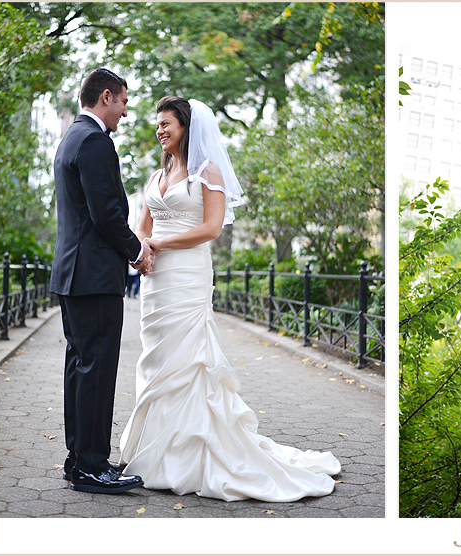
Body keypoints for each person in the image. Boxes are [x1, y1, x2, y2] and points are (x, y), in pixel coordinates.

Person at [118, 96, 341, 502]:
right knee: (157, 357)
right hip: (155, 279)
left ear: (186, 127)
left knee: (189, 358)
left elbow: (212, 228)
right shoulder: (155, 176)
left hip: (188, 274)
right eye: (157, 125)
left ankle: (193, 452)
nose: (160, 130)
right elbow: (142, 225)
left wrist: (159, 244)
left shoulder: (208, 172)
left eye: (167, 123)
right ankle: (154, 448)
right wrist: (142, 250)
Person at [49, 68, 152, 494]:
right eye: (124, 102)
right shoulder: (94, 140)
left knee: (80, 367)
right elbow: (106, 213)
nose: (125, 112)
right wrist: (137, 251)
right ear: (106, 96)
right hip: (93, 276)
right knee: (96, 371)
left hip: (75, 275)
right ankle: (92, 466)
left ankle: (79, 460)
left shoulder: (71, 137)